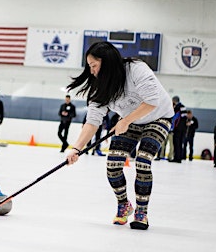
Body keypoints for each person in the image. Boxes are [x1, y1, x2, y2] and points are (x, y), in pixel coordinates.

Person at [65, 42, 174, 230]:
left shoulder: (136, 69)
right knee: (113, 164)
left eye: (94, 66)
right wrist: (76, 148)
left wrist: (125, 121)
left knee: (143, 161)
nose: (92, 72)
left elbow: (152, 101)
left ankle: (142, 212)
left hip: (159, 117)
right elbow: (92, 121)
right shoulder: (101, 86)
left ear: (106, 63)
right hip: (129, 121)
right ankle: (124, 205)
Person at [169, 96, 186, 163]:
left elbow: (177, 118)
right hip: (181, 129)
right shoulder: (181, 107)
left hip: (178, 129)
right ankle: (177, 157)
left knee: (177, 143)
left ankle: (178, 158)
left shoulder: (178, 107)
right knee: (178, 143)